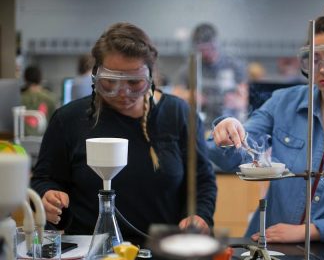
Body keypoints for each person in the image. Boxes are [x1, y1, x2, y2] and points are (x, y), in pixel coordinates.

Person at [30, 22, 217, 237]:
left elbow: (202, 180)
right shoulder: (69, 120)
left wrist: (200, 215)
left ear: (151, 78)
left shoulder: (179, 114)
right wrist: (47, 196)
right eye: (110, 81)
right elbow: (43, 178)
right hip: (90, 255)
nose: (122, 92)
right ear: (96, 75)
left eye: (135, 82)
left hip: (163, 255)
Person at [207, 5, 324, 245]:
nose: (322, 69)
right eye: (314, 59)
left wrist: (313, 230)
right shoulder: (283, 103)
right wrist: (229, 130)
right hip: (268, 246)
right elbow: (237, 154)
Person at [173, 23, 248, 130]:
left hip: (230, 126)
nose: (206, 53)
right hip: (200, 127)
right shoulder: (190, 68)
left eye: (209, 48)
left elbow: (246, 98)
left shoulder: (234, 66)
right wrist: (190, 96)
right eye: (202, 49)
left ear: (216, 44)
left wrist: (235, 101)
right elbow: (176, 95)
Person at [21, 65, 57, 136]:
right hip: (44, 139)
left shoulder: (19, 98)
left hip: (23, 140)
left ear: (25, 79)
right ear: (40, 78)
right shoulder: (51, 98)